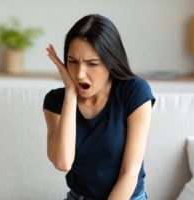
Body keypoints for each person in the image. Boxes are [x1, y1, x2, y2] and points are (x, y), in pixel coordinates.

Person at [43, 14, 155, 200]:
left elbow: (130, 173)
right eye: (72, 61)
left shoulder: (135, 91)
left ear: (111, 63)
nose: (80, 74)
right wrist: (70, 93)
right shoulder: (55, 102)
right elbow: (63, 162)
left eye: (92, 64)